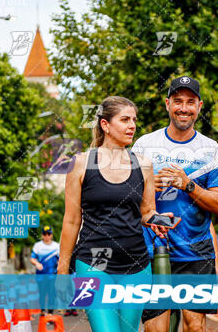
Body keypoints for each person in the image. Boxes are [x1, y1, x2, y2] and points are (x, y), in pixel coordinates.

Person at [57, 96, 171, 332]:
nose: (132, 126)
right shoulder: (79, 163)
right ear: (105, 125)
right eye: (125, 119)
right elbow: (71, 221)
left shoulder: (144, 164)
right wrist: (62, 269)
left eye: (134, 120)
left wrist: (159, 220)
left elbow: (146, 212)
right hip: (92, 264)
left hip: (136, 266)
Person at [132, 76, 218, 332]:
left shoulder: (210, 148)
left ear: (199, 106)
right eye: (177, 101)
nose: (183, 107)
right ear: (167, 104)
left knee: (194, 327)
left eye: (190, 102)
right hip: (152, 250)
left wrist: (187, 184)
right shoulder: (144, 144)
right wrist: (149, 187)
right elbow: (126, 196)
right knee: (156, 329)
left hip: (195, 251)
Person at [31, 225, 59, 315]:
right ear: (42, 235)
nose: (47, 236)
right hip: (41, 275)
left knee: (51, 293)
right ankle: (43, 311)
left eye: (49, 234)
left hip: (52, 275)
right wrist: (37, 263)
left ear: (51, 235)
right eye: (44, 234)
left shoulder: (56, 246)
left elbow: (60, 260)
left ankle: (50, 313)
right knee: (42, 293)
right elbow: (32, 259)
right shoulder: (38, 246)